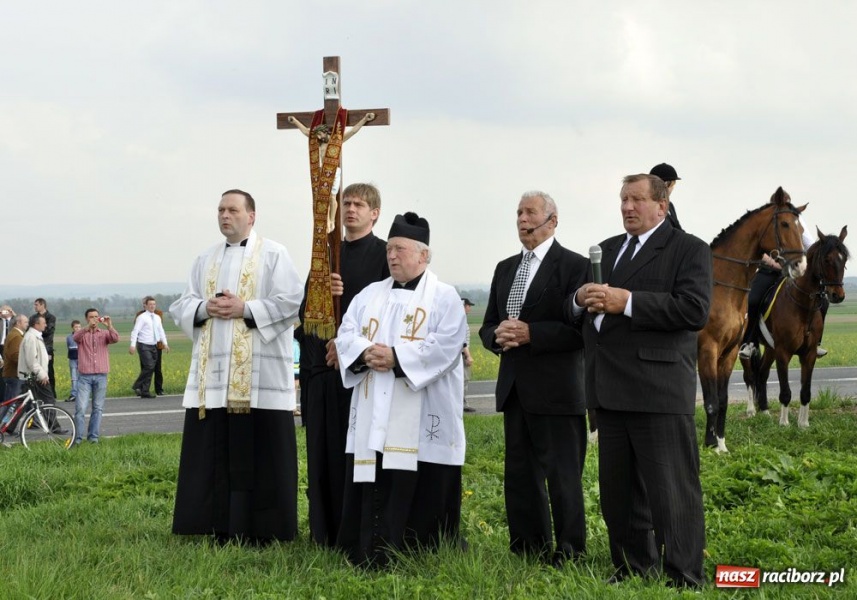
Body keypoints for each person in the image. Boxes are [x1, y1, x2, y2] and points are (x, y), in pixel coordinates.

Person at [569, 173, 711, 588]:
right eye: (623, 200)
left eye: (636, 200)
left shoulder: (689, 249)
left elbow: (693, 310)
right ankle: (632, 567)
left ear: (662, 206)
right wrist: (578, 300)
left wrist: (627, 301)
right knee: (619, 493)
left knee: (672, 493)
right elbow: (575, 310)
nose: (627, 207)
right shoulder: (607, 249)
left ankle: (684, 575)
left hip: (658, 390)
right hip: (608, 390)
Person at [334, 212, 468, 567]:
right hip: (374, 408)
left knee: (419, 474)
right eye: (389, 249)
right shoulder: (369, 294)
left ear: (424, 255)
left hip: (422, 408)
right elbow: (346, 333)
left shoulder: (444, 297)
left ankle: (418, 550)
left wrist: (397, 357)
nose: (392, 256)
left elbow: (447, 346)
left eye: (400, 249)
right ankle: (369, 546)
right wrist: (364, 352)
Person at [169, 189, 303, 545]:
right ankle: (218, 526)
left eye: (232, 210)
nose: (224, 216)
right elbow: (183, 303)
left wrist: (246, 308)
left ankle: (266, 529)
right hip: (215, 383)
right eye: (220, 210)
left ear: (251, 216)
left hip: (260, 380)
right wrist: (204, 308)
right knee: (218, 451)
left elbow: (292, 301)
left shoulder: (274, 254)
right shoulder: (205, 258)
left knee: (261, 453)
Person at [479, 190, 589, 567]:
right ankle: (527, 546)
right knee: (520, 475)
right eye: (518, 213)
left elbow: (581, 332)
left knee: (563, 477)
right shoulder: (505, 268)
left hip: (558, 391)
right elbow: (488, 324)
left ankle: (570, 551)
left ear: (552, 221)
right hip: (514, 389)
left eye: (530, 213)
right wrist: (496, 337)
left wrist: (532, 334)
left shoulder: (574, 267)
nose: (522, 220)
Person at [301, 182, 389, 547]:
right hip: (322, 371)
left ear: (374, 213)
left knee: (357, 454)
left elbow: (388, 313)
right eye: (345, 203)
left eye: (358, 204)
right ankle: (323, 532)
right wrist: (321, 296)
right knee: (323, 454)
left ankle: (358, 530)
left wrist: (350, 347)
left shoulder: (385, 255)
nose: (350, 209)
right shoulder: (324, 254)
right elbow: (304, 318)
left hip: (361, 374)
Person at [738, 209, 822, 359]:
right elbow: (758, 248)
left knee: (822, 299)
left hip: (794, 271)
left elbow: (809, 246)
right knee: (753, 300)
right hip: (769, 270)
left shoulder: (797, 222)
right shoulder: (767, 222)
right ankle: (750, 342)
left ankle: (816, 342)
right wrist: (774, 263)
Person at [73, 309, 120, 444]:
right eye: (91, 317)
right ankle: (77, 438)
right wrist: (87, 327)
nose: (94, 319)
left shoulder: (104, 334)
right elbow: (75, 337)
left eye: (96, 316)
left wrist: (109, 325)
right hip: (84, 377)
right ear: (86, 319)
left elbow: (115, 338)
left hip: (101, 375)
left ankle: (93, 437)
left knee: (98, 408)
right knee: (81, 408)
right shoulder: (82, 334)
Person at [19, 314, 66, 432]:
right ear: (36, 324)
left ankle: (8, 427)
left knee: (27, 402)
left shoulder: (35, 336)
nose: (46, 325)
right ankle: (54, 427)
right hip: (36, 376)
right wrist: (42, 375)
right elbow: (31, 361)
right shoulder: (31, 337)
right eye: (43, 323)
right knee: (48, 400)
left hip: (35, 375)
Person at [129, 296, 170, 398]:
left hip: (154, 345)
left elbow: (161, 331)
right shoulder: (142, 317)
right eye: (150, 304)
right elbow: (135, 331)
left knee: (151, 368)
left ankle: (145, 391)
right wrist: (132, 345)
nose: (152, 306)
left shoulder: (157, 317)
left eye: (154, 304)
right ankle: (137, 385)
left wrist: (165, 343)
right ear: (146, 306)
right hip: (143, 345)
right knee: (149, 366)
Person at [0, 314, 29, 431]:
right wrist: (27, 365)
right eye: (25, 322)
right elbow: (15, 356)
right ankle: (3, 425)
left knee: (11, 402)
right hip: (14, 374)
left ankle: (6, 426)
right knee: (10, 403)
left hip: (13, 374)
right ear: (18, 323)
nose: (27, 324)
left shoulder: (15, 334)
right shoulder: (16, 336)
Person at [32, 298, 57, 396]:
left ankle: (51, 393)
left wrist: (36, 330)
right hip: (35, 347)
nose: (35, 307)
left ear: (42, 305)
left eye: (36, 305)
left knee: (49, 371)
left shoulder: (51, 317)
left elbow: (47, 331)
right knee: (36, 371)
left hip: (47, 348)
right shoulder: (33, 317)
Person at [649, 163, 682, 231]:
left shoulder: (670, 205)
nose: (673, 187)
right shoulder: (650, 207)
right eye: (673, 183)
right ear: (666, 184)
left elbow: (678, 229)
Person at [461, 298, 476, 413]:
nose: (469, 308)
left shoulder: (459, 319)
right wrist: (468, 356)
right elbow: (462, 341)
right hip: (461, 354)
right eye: (468, 305)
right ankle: (463, 404)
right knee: (464, 380)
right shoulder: (461, 320)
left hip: (459, 354)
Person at [66, 320, 81, 402]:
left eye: (79, 327)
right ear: (72, 328)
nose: (78, 328)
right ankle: (74, 394)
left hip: (81, 359)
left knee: (81, 377)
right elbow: (68, 346)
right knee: (74, 377)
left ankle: (80, 394)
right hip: (72, 359)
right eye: (76, 327)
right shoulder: (69, 337)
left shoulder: (83, 336)